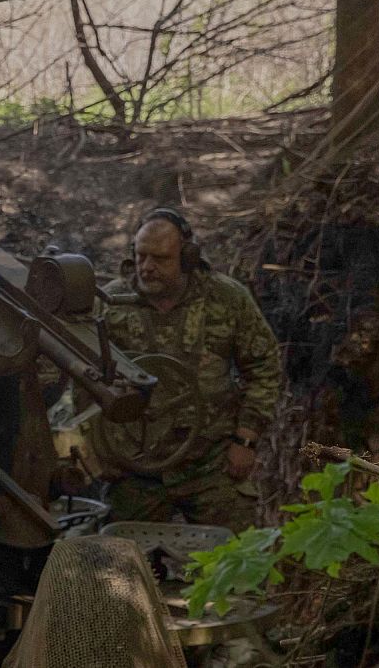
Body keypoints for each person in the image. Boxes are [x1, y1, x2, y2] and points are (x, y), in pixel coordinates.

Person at [100, 207, 283, 531]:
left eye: (159, 258)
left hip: (211, 464)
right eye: (141, 256)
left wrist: (246, 440)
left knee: (240, 560)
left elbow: (264, 366)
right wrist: (100, 450)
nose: (147, 268)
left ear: (186, 258)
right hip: (136, 467)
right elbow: (84, 375)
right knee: (119, 562)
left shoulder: (226, 298)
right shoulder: (112, 303)